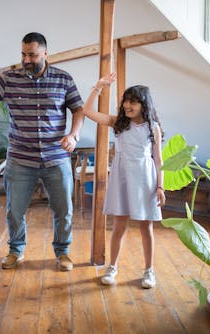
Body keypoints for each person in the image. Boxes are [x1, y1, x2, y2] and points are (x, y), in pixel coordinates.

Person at [0, 32, 84, 271]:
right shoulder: (9, 79)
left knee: (64, 210)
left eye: (32, 55)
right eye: (23, 54)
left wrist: (73, 135)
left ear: (45, 53)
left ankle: (63, 252)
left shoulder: (64, 79)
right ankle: (16, 250)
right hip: (20, 159)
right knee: (14, 210)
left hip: (56, 157)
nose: (26, 59)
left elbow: (78, 110)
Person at [82, 73, 166, 288]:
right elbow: (88, 112)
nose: (127, 105)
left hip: (145, 177)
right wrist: (98, 87)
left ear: (143, 104)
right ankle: (112, 267)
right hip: (121, 176)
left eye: (133, 101)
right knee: (119, 224)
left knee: (146, 226)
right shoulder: (117, 123)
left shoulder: (152, 127)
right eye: (126, 101)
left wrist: (160, 186)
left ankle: (149, 271)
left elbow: (158, 159)